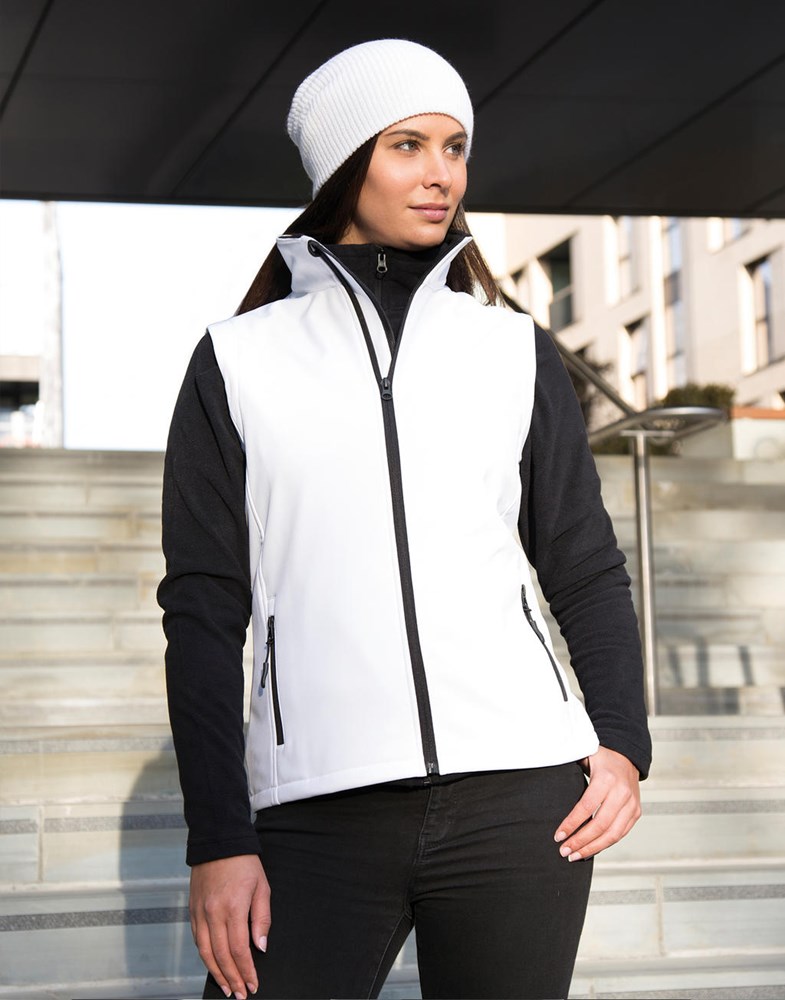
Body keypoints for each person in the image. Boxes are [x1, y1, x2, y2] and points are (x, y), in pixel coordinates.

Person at [158, 38, 652, 1000]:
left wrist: (622, 744)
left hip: (521, 797)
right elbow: (203, 608)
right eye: (407, 145)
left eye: (454, 147)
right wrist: (218, 836)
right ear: (344, 164)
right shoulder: (237, 359)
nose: (441, 175)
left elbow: (584, 563)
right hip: (314, 806)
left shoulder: (511, 349)